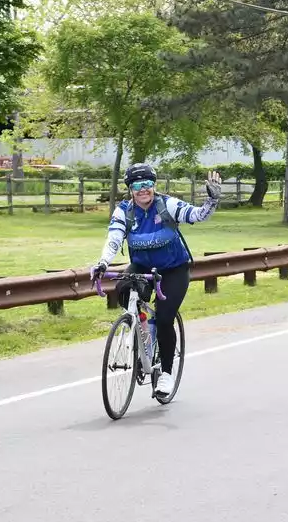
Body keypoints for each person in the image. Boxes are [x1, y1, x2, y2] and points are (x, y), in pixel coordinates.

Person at [90, 163, 222, 399]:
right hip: (142, 266)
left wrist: (211, 201)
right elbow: (114, 238)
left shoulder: (167, 205)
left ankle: (166, 374)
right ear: (130, 189)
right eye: (138, 185)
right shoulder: (125, 211)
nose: (144, 190)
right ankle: (140, 329)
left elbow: (196, 215)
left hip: (174, 269)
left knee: (163, 319)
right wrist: (102, 263)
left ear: (154, 186)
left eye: (148, 184)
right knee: (122, 287)